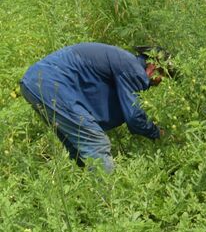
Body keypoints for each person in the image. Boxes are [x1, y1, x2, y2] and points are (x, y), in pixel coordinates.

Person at [19, 43, 170, 173]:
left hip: (36, 81)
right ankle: (105, 204)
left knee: (78, 149)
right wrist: (158, 133)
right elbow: (134, 117)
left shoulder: (124, 62)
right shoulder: (134, 69)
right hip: (51, 83)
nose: (161, 82)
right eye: (164, 75)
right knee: (96, 144)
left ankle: (85, 199)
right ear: (154, 66)